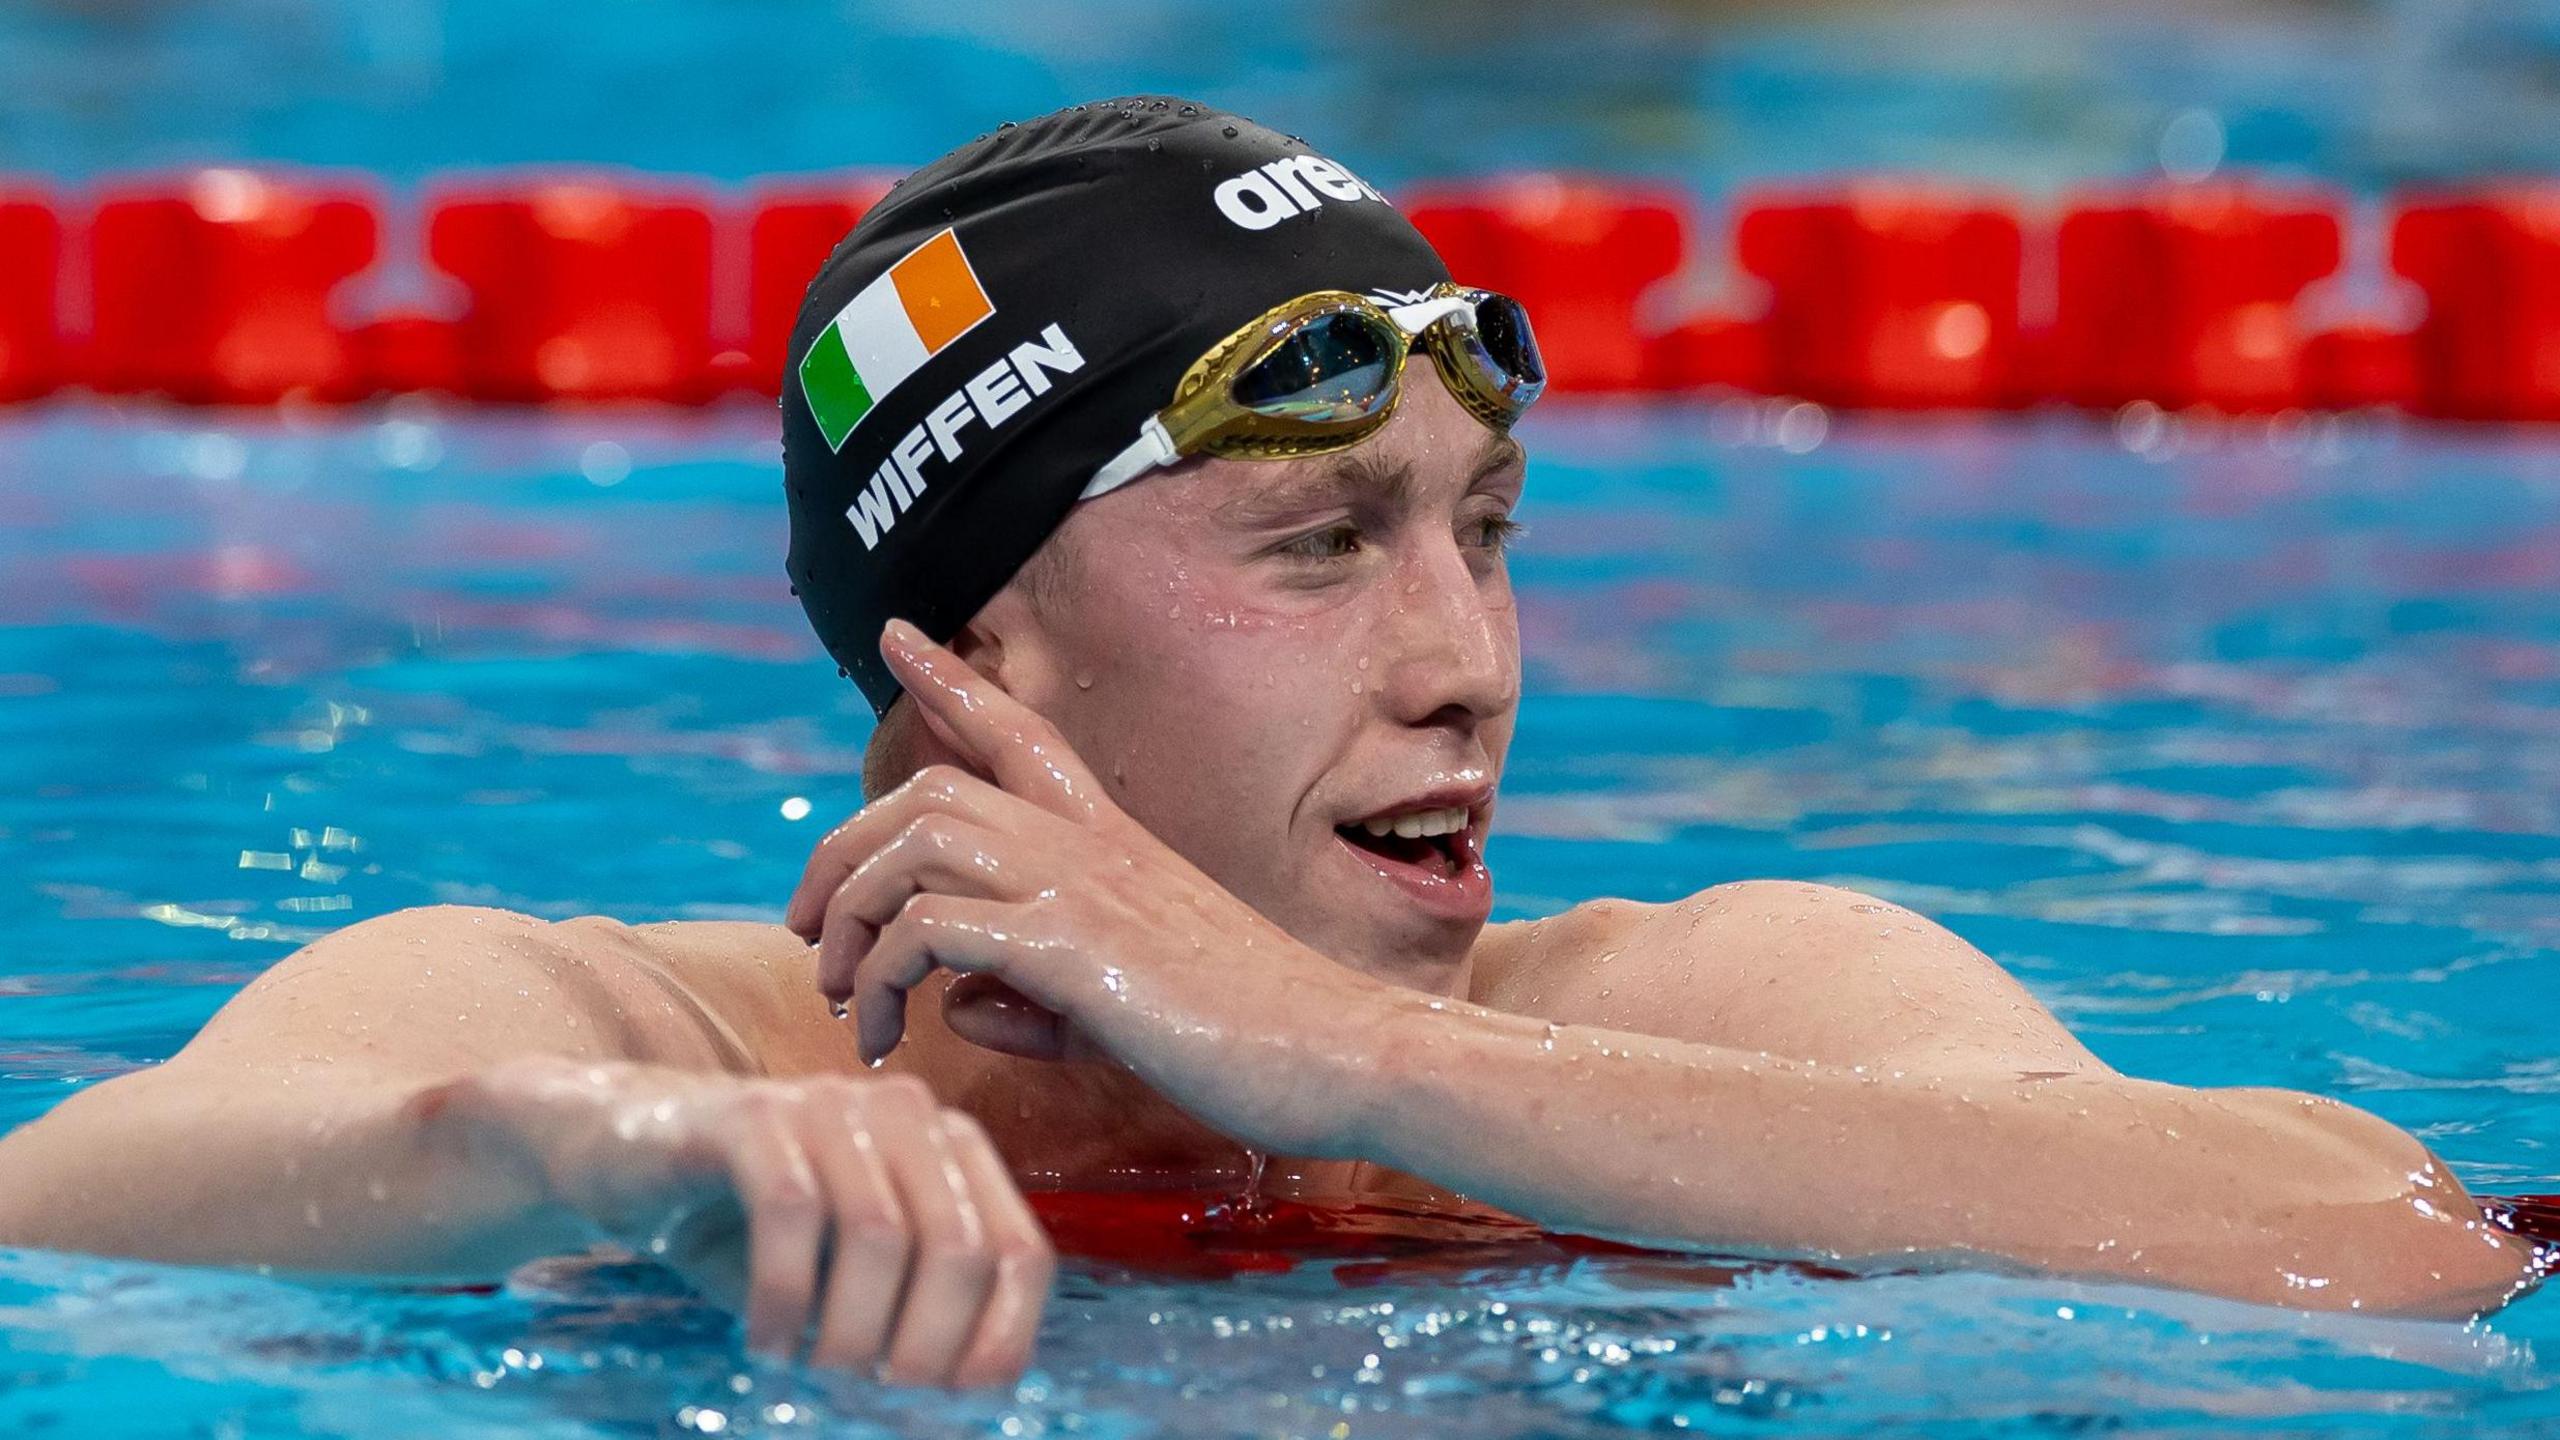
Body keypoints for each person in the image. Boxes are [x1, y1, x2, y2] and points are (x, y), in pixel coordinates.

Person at [0, 97, 2539, 1391]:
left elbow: (2384, 1253)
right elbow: (61, 1227)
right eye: (1323, 543)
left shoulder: (1692, 997)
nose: (1467, 659)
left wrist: (1339, 1058)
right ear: (960, 656)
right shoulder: (652, 1046)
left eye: (1485, 529)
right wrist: (598, 1162)